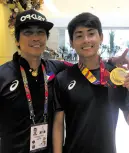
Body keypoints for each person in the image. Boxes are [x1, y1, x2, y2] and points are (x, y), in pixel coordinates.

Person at [0, 9, 129, 153]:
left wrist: (110, 62)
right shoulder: (3, 75)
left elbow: (89, 66)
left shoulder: (57, 68)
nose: (35, 38)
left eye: (40, 32)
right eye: (28, 32)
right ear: (17, 40)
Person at [53, 12, 129, 153]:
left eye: (91, 33)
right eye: (79, 35)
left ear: (101, 37)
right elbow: (58, 125)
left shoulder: (116, 76)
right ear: (71, 42)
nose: (86, 40)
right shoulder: (63, 78)